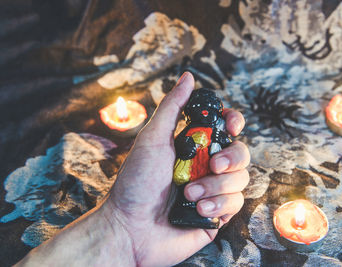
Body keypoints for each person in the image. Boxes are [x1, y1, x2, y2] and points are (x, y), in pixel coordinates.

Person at [16, 72, 250, 267]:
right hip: (186, 176)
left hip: (202, 180)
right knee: (189, 190)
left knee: (205, 189)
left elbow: (219, 147)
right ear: (190, 113)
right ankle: (187, 209)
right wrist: (120, 225)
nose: (204, 114)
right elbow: (181, 148)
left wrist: (221, 149)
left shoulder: (217, 133)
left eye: (209, 110)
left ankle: (198, 210)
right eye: (199, 110)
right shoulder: (188, 132)